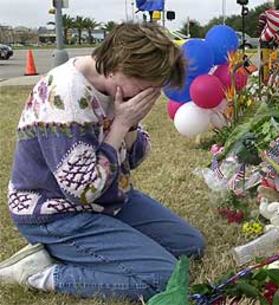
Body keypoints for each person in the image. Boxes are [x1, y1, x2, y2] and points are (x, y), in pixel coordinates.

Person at [0, 23, 205, 301]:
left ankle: (104, 245)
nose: (151, 94)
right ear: (117, 67)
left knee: (190, 246)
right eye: (147, 86)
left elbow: (134, 158)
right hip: (57, 213)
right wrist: (120, 124)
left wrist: (130, 126)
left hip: (108, 200)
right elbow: (82, 190)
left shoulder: (121, 88)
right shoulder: (67, 95)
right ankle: (40, 274)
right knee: (163, 278)